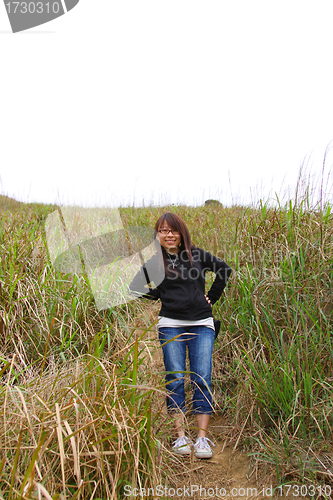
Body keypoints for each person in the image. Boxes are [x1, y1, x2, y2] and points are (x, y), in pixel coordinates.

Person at [129, 212, 231, 459]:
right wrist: (159, 296)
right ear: (158, 236)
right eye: (163, 231)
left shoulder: (197, 255)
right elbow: (134, 287)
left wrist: (212, 296)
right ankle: (181, 437)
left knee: (201, 378)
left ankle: (202, 439)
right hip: (170, 325)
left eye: (173, 230)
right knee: (174, 379)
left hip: (202, 324)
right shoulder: (155, 262)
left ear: (181, 232)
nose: (169, 235)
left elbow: (224, 270)